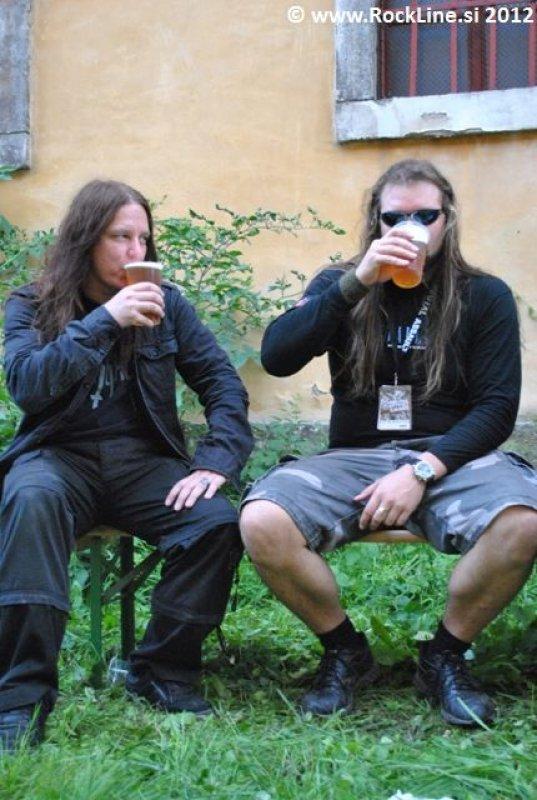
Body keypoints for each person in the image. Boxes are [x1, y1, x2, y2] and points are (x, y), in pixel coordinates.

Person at [240, 159, 537, 726]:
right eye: (395, 217)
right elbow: (277, 357)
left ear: (448, 219)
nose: (410, 229)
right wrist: (356, 282)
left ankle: (445, 655)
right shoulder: (340, 285)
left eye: (425, 216)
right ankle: (345, 651)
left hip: (451, 457)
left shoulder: (484, 295)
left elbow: (497, 409)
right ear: (376, 221)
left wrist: (422, 469)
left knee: (523, 520)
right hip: (353, 458)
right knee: (262, 520)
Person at [0, 180, 253, 752]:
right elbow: (28, 386)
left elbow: (222, 384)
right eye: (121, 237)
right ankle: (19, 699)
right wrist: (106, 320)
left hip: (141, 462)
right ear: (86, 240)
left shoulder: (169, 305)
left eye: (143, 238)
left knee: (215, 522)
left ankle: (160, 670)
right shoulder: (33, 303)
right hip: (58, 457)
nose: (137, 251)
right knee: (30, 501)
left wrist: (216, 461)